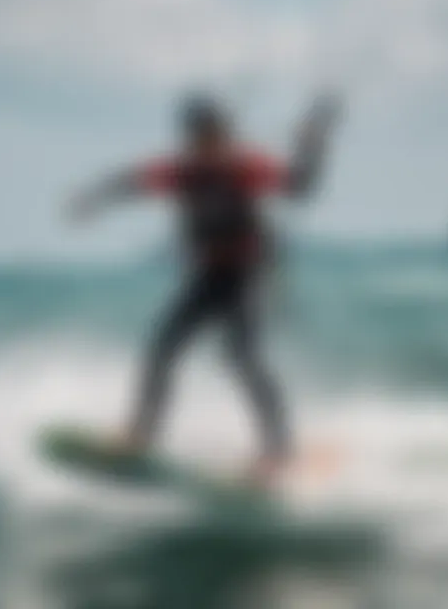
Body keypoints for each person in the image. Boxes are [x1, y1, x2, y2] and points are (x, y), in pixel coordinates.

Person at [67, 92, 343, 487]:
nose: (209, 145)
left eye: (216, 136)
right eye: (200, 138)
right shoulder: (180, 172)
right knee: (161, 350)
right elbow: (129, 183)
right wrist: (91, 200)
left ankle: (278, 450)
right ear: (190, 139)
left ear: (226, 134)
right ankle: (142, 434)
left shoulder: (246, 167)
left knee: (241, 358)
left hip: (248, 276)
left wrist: (312, 141)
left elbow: (301, 188)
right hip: (206, 277)